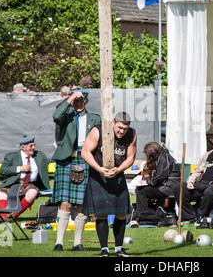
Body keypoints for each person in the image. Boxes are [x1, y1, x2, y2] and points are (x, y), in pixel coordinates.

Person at [51, 86, 101, 251]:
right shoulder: (66, 115)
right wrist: (70, 98)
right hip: (67, 160)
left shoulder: (95, 118)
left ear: (86, 101)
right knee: (65, 203)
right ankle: (59, 243)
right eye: (76, 100)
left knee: (82, 204)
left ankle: (77, 243)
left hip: (86, 159)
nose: (79, 103)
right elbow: (56, 115)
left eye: (81, 100)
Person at [82, 112, 137, 257]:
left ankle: (119, 248)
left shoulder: (131, 134)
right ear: (113, 122)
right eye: (119, 128)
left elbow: (131, 157)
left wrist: (118, 169)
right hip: (98, 177)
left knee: (121, 214)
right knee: (101, 214)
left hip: (117, 175)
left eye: (125, 129)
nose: (122, 131)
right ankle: (104, 249)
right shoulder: (98, 130)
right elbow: (85, 152)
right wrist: (100, 169)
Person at [0, 135, 52, 221]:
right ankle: (3, 217)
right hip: (13, 183)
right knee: (1, 194)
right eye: (31, 145)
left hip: (30, 184)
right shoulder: (11, 156)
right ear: (23, 147)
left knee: (33, 192)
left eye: (34, 145)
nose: (33, 147)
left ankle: (13, 216)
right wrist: (19, 168)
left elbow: (51, 161)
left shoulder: (39, 155)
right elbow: (2, 171)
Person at [134, 142, 180, 225]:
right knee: (143, 189)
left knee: (141, 190)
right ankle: (147, 214)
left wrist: (147, 181)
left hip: (168, 188)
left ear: (152, 154)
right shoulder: (164, 157)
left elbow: (160, 178)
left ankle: (145, 216)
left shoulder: (163, 159)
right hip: (168, 186)